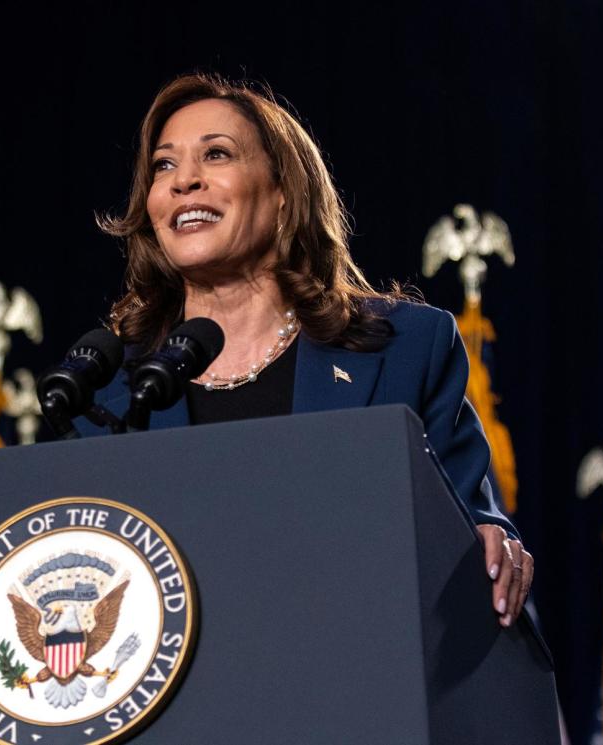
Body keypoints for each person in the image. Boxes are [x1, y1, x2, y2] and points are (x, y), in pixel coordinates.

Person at [84, 73, 533, 628]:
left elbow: (466, 521)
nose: (183, 183)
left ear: (281, 193)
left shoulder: (405, 350)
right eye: (164, 166)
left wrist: (494, 542)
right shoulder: (108, 390)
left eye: (216, 155)